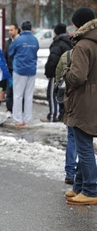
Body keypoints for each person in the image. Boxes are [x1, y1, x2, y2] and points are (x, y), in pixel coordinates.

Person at [63, 7, 97, 205]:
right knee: (84, 144)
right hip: (93, 98)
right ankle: (79, 185)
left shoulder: (83, 45)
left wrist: (66, 72)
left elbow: (77, 76)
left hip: (85, 100)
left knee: (83, 145)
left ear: (79, 23)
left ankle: (91, 189)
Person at [8, 20, 39, 127]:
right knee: (29, 96)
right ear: (31, 28)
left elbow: (10, 53)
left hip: (19, 70)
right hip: (32, 70)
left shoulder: (17, 40)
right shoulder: (35, 40)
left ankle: (18, 120)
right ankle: (27, 120)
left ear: (21, 28)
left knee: (18, 95)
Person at [41, 23, 72, 123]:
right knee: (63, 95)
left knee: (52, 95)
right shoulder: (69, 42)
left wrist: (49, 73)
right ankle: (62, 115)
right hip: (67, 73)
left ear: (56, 32)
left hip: (56, 74)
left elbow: (53, 60)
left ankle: (53, 115)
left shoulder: (57, 43)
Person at [55, 49, 77, 185]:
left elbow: (58, 78)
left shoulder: (66, 55)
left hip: (69, 101)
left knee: (72, 136)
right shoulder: (92, 51)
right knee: (85, 140)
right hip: (88, 103)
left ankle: (70, 173)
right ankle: (85, 175)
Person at [4, 24, 20, 118]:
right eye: (9, 30)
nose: (10, 32)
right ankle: (9, 109)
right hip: (10, 69)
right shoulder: (8, 42)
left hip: (18, 69)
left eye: (11, 30)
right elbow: (6, 54)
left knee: (18, 91)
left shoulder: (20, 41)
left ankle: (18, 110)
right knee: (9, 90)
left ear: (17, 30)